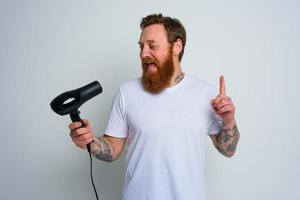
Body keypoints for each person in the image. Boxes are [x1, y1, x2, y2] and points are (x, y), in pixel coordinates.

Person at [69, 13, 240, 200]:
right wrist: (89, 141)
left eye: (152, 46)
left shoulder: (206, 94)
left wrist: (228, 120)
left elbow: (228, 150)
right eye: (141, 46)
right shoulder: (127, 92)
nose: (143, 54)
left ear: (177, 47)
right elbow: (112, 149)